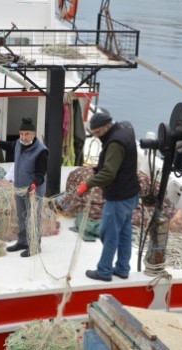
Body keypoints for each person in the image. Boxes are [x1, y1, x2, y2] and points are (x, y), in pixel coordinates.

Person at [77, 110, 140, 281]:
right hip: (131, 193)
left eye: (98, 133)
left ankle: (104, 271)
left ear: (107, 126)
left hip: (119, 196)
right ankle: (122, 268)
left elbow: (109, 173)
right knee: (125, 232)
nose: (97, 137)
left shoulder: (115, 143)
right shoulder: (125, 129)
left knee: (108, 233)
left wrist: (87, 184)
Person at [0, 117, 48, 257]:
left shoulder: (41, 151)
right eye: (21, 134)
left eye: (26, 134)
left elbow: (41, 173)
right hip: (19, 187)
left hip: (34, 189)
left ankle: (35, 245)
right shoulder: (18, 144)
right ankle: (22, 241)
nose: (23, 137)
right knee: (21, 215)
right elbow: (8, 146)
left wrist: (34, 185)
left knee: (33, 217)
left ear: (33, 134)